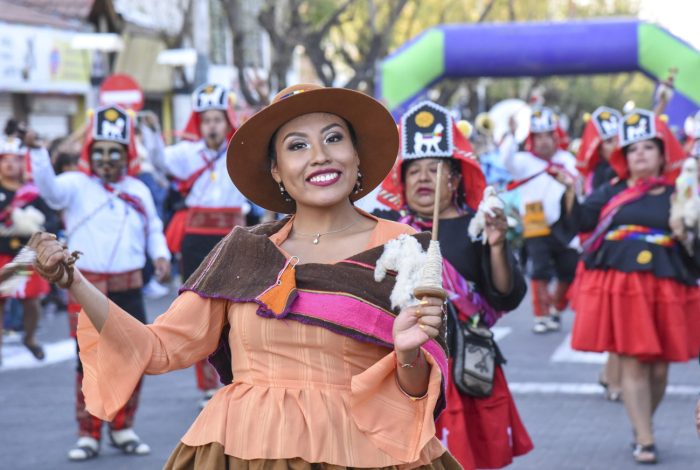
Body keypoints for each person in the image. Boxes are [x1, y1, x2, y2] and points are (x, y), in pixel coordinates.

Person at [30, 84, 458, 469]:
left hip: (361, 452)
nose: (319, 156)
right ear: (276, 171)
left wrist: (407, 354)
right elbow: (157, 349)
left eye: (333, 138)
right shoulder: (242, 250)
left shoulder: (403, 248)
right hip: (240, 449)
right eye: (297, 146)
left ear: (356, 155)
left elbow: (417, 394)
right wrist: (74, 281)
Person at [375, 101, 532, 469]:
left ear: (456, 179)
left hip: (460, 367)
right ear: (401, 180)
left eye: (435, 170)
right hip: (400, 360)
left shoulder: (478, 226)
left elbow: (506, 295)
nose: (424, 178)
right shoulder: (387, 230)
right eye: (414, 171)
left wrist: (497, 245)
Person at [556, 108, 700, 464]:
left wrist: (688, 229)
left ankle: (642, 424)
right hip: (624, 284)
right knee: (635, 360)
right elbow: (582, 221)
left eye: (648, 147)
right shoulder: (610, 190)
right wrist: (571, 192)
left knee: (661, 366)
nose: (640, 154)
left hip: (666, 283)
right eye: (633, 148)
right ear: (623, 156)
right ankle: (645, 437)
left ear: (663, 153)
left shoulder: (680, 191)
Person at [27, 105, 171, 461]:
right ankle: (88, 433)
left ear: (128, 154)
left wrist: (161, 254)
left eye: (115, 151)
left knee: (134, 357)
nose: (107, 159)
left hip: (129, 286)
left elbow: (153, 226)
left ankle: (123, 428)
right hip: (85, 287)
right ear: (90, 153)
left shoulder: (138, 188)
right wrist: (36, 151)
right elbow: (49, 190)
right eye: (100, 151)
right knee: (88, 362)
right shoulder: (75, 184)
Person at [163, 83, 249, 406]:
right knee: (200, 312)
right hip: (196, 240)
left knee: (237, 311)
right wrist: (149, 133)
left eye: (217, 119)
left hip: (232, 237)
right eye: (206, 120)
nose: (212, 126)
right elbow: (157, 161)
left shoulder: (240, 153)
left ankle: (237, 378)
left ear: (228, 120)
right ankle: (207, 386)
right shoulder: (185, 154)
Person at [502, 107, 579, 333]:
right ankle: (541, 315)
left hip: (564, 224)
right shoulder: (524, 161)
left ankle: (556, 306)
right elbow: (506, 160)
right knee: (540, 270)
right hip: (536, 222)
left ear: (556, 137)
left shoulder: (566, 159)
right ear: (532, 139)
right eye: (538, 137)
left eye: (548, 136)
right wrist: (510, 133)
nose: (544, 142)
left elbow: (579, 185)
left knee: (568, 269)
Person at [575, 106, 624, 402]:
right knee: (617, 326)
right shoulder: (607, 175)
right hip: (604, 257)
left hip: (618, 256)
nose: (614, 145)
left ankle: (610, 375)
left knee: (620, 327)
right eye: (607, 141)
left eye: (617, 139)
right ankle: (614, 379)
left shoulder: (617, 171)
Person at [0, 136, 58, 364]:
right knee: (1, 301)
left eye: (15, 160)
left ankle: (31, 338)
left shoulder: (33, 192)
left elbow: (53, 220)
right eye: (4, 160)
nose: (9, 164)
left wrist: (38, 226)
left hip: (26, 255)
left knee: (31, 301)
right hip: (2, 253)